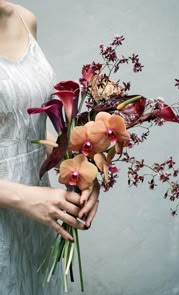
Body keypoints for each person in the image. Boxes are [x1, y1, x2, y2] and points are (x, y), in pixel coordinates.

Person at [0, 1, 100, 294]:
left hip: (38, 218)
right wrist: (25, 197)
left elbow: (26, 129)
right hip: (22, 205)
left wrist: (79, 170)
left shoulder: (25, 19)